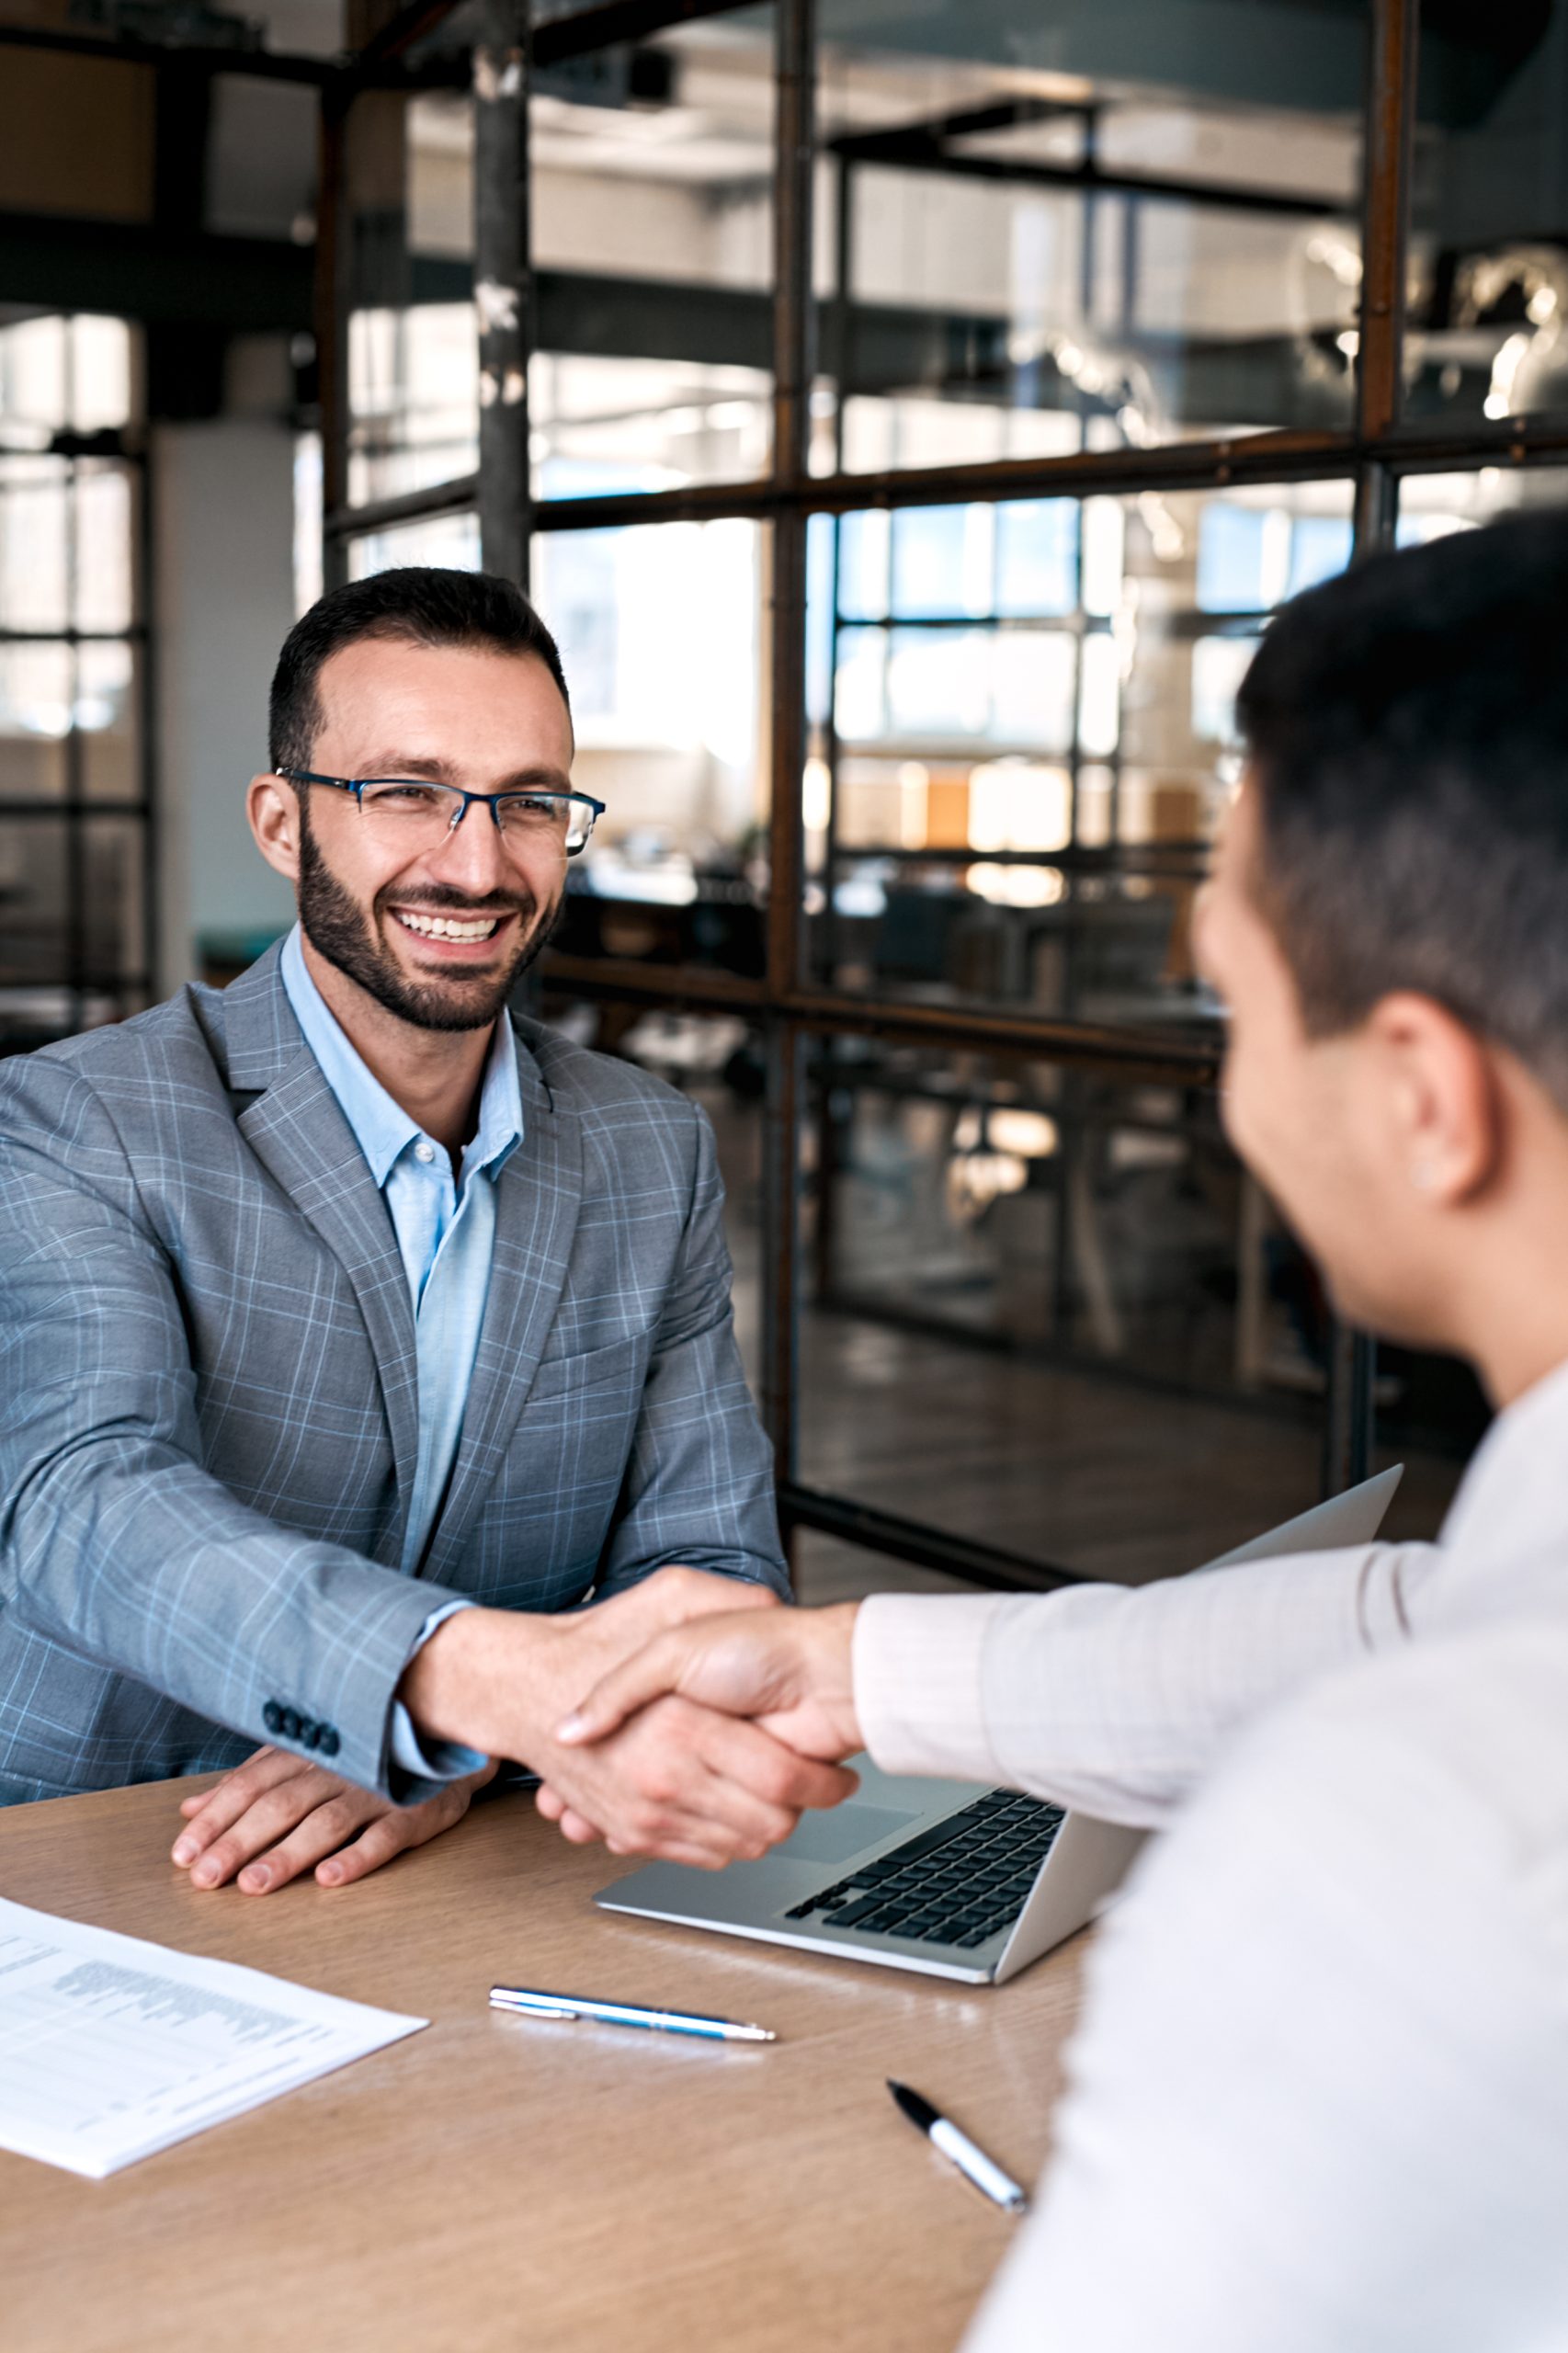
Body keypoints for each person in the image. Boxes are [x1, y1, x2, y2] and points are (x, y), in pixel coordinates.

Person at [547, 509, 1568, 2347]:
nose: (1225, 1085)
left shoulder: (1387, 1859)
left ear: (1426, 1097)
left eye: (1230, 1003)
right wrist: (842, 1665)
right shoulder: (1500, 1647)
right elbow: (1404, 1617)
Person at [0, 567, 850, 1892]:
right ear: (283, 826)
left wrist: (459, 1752)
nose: (475, 862)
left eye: (528, 803)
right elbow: (80, 1504)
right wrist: (448, 1686)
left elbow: (707, 1568)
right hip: (113, 1850)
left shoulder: (648, 1148)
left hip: (473, 1877)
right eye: (405, 791)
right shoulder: (76, 1120)